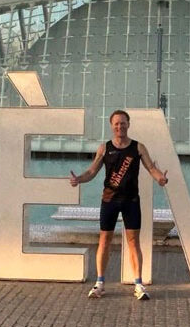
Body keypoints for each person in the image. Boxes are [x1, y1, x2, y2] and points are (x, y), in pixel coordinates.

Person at [69, 109, 168, 300]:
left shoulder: (138, 147)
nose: (120, 126)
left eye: (123, 123)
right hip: (109, 201)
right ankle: (99, 283)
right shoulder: (104, 148)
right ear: (111, 126)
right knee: (104, 240)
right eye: (116, 123)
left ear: (128, 124)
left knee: (133, 242)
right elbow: (91, 171)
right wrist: (78, 179)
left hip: (131, 201)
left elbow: (151, 168)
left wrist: (161, 179)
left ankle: (138, 285)